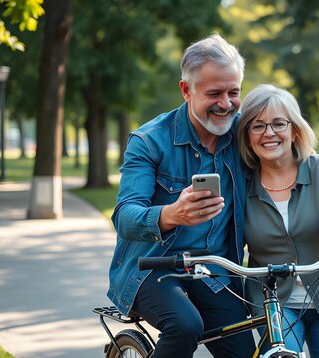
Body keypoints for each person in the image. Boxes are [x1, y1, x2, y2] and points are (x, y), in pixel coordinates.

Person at [108, 33, 255, 358]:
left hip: (216, 272)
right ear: (186, 90)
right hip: (152, 270)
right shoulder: (149, 141)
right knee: (186, 326)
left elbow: (287, 152)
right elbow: (124, 216)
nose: (226, 104)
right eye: (214, 93)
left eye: (234, 93)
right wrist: (171, 214)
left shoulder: (245, 134)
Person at [237, 84, 319, 357]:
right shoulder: (240, 182)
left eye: (278, 123)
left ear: (294, 129)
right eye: (257, 126)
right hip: (274, 303)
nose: (269, 133)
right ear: (247, 135)